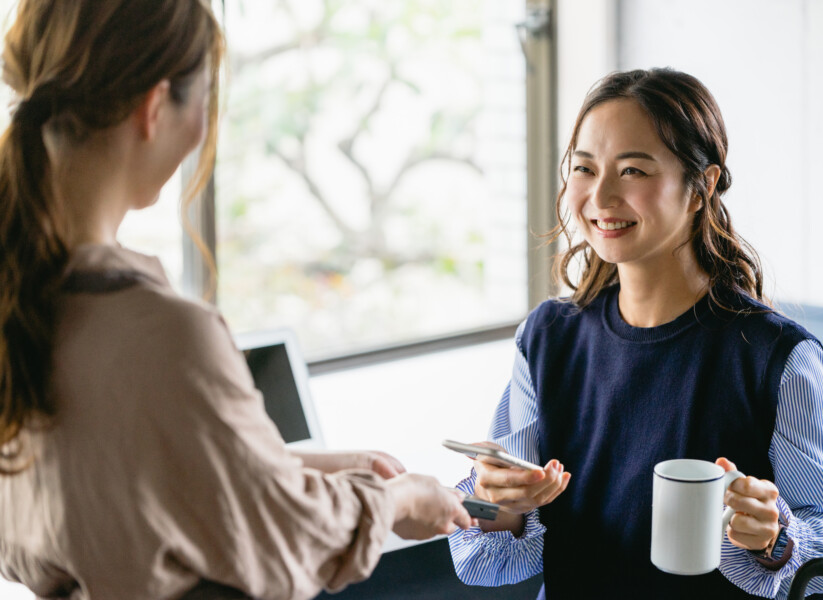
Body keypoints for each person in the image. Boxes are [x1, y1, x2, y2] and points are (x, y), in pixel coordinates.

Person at [0, 1, 472, 599]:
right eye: (203, 100)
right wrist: (400, 497)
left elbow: (125, 488)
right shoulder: (161, 335)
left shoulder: (29, 305)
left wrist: (296, 466)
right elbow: (285, 540)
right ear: (153, 108)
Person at [448, 68, 823, 599]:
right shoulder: (545, 339)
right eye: (584, 168)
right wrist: (498, 506)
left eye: (632, 171)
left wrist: (777, 540)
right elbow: (487, 556)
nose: (601, 196)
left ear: (703, 185)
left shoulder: (776, 357)